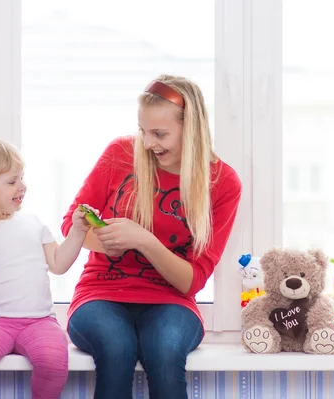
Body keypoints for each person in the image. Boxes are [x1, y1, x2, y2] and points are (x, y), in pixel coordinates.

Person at [62, 74, 242, 399]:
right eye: (143, 131)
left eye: (160, 134)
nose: (147, 143)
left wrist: (142, 239)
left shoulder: (223, 182)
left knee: (164, 350)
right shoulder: (120, 152)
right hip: (100, 293)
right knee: (117, 347)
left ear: (192, 129)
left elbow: (192, 280)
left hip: (171, 301)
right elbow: (69, 226)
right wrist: (107, 238)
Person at [0, 138, 94, 399]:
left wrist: (77, 232)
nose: (22, 186)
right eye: (12, 181)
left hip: (39, 321)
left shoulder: (33, 223)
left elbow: (59, 264)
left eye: (22, 178)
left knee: (53, 363)